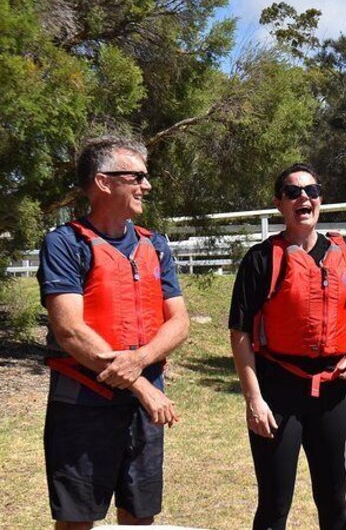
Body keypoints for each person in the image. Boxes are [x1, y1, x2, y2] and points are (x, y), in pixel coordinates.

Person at [37, 135, 189, 529]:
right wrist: (139, 383)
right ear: (104, 182)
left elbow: (179, 321)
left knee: (140, 513)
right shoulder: (65, 244)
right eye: (136, 176)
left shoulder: (154, 245)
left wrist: (140, 362)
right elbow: (70, 330)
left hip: (144, 405)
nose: (147, 185)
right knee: (77, 519)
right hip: (83, 405)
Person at [229, 162, 346, 530]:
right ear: (279, 203)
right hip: (278, 390)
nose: (304, 198)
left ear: (320, 200)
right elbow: (240, 332)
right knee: (274, 502)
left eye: (311, 191)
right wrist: (254, 399)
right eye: (294, 192)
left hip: (332, 393)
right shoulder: (261, 259)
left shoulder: (343, 252)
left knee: (333, 498)